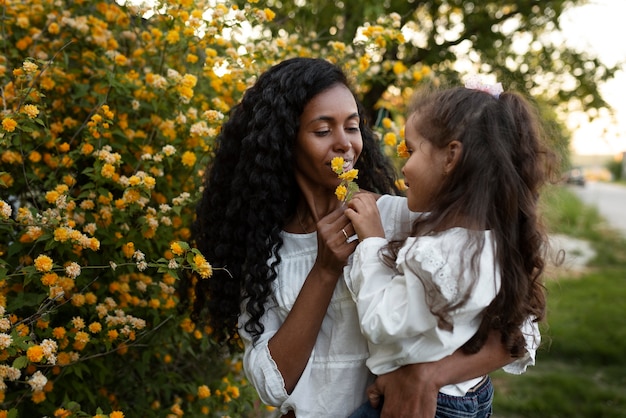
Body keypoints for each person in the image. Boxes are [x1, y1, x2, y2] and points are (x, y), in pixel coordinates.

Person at [189, 58, 540, 417]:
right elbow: (272, 385)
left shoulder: (397, 219)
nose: (344, 144)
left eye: (352, 127)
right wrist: (324, 271)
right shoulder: (263, 247)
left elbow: (521, 328)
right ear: (283, 141)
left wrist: (429, 376)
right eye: (323, 131)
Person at [344, 79, 556, 417]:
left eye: (410, 150)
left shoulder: (435, 255)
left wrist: (371, 242)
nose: (403, 167)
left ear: (451, 157)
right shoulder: (494, 244)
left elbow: (383, 324)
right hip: (469, 395)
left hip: (427, 403)